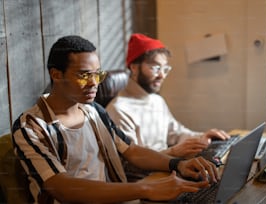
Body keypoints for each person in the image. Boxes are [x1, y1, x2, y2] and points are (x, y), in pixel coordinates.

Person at [11, 35, 219, 204]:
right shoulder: (31, 127)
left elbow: (132, 150)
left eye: (97, 75)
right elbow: (62, 187)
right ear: (56, 75)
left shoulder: (94, 111)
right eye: (84, 75)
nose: (94, 83)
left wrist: (178, 164)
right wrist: (145, 189)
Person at [106, 33, 230, 159]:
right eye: (155, 68)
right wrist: (174, 152)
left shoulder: (156, 100)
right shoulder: (119, 110)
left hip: (166, 164)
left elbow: (175, 133)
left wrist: (204, 137)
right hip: (146, 176)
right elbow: (131, 162)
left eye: (165, 69)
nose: (162, 75)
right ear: (134, 67)